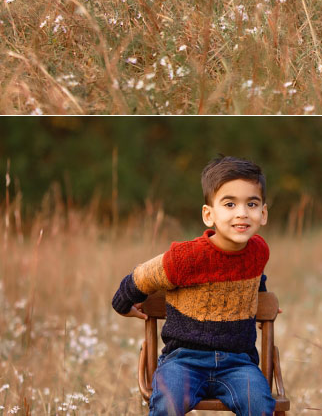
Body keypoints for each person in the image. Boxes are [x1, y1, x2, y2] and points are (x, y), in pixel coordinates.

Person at [112, 156, 276, 416]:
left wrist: (262, 301)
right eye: (230, 203)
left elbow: (255, 276)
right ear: (208, 214)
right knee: (168, 403)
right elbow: (144, 275)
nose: (242, 212)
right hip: (184, 360)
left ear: (263, 213)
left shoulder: (258, 251)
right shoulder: (186, 258)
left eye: (252, 204)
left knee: (259, 404)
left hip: (238, 363)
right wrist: (123, 303)